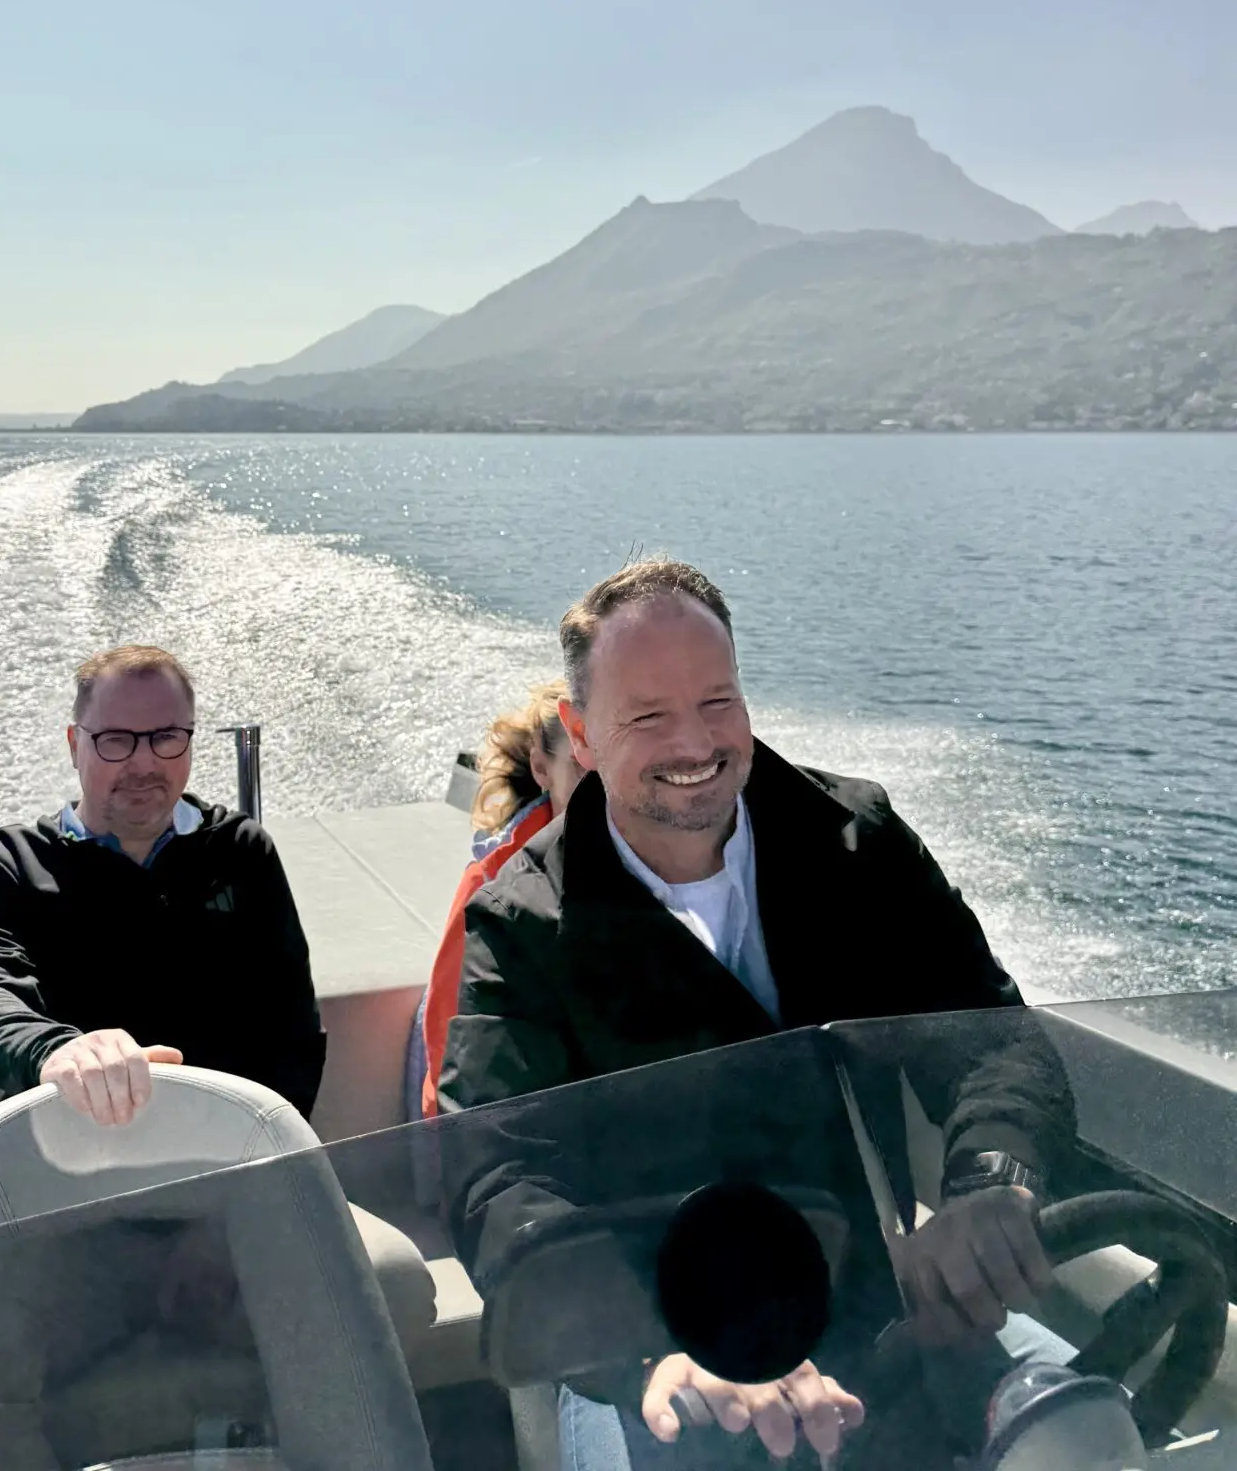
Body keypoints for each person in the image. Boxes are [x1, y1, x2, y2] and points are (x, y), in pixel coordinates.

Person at [439, 560, 1076, 1469]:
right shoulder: (524, 922)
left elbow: (987, 1033)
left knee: (1096, 1433)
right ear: (581, 734)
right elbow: (498, 1176)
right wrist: (658, 1350)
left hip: (883, 1315)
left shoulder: (858, 845)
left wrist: (990, 1178)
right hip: (654, 1355)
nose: (693, 741)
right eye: (649, 715)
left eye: (718, 701)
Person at [0, 643, 325, 1125]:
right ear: (74, 745)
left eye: (166, 736)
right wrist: (60, 1053)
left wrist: (264, 1147)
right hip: (71, 1160)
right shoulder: (10, 867)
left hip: (227, 1155)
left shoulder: (241, 853)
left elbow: (292, 1027)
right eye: (116, 739)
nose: (144, 763)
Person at [407, 679, 582, 1120]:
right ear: (541, 768)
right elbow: (449, 1047)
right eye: (583, 770)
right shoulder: (491, 887)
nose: (606, 790)